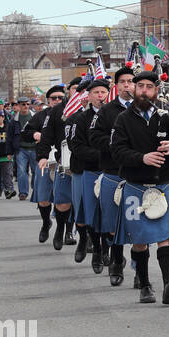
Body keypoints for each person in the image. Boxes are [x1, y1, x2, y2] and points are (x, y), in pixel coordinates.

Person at [110, 69, 169, 304]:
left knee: (165, 236)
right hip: (135, 187)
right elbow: (117, 151)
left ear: (155, 90)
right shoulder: (122, 120)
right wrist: (142, 158)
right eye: (139, 86)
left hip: (164, 186)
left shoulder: (167, 116)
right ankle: (144, 285)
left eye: (148, 87)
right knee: (139, 241)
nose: (143, 91)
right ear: (133, 89)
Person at [90, 66, 137, 285]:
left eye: (131, 81)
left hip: (138, 174)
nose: (127, 85)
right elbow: (94, 137)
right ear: (116, 86)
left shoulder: (146, 109)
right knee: (114, 225)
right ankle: (116, 262)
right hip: (113, 172)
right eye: (123, 81)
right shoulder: (107, 111)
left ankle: (140, 271)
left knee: (140, 225)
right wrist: (116, 145)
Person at [67, 78, 109, 267]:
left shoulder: (114, 115)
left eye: (103, 92)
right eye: (96, 93)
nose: (100, 96)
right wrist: (101, 155)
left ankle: (107, 250)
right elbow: (75, 146)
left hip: (110, 171)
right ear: (89, 96)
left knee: (109, 214)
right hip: (87, 170)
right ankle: (89, 243)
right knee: (87, 214)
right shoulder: (79, 119)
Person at [35, 83, 79, 248]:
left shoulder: (92, 111)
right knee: (61, 202)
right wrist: (41, 156)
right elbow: (46, 136)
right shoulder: (56, 111)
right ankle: (59, 228)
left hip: (87, 163)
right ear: (69, 90)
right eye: (74, 88)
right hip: (63, 161)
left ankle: (83, 237)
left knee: (84, 204)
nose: (77, 92)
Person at [26, 87, 64, 238]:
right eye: (53, 98)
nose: (56, 100)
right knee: (43, 199)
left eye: (60, 98)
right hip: (45, 160)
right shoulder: (40, 116)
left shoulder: (70, 114)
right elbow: (25, 132)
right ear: (48, 100)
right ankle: (45, 222)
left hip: (64, 161)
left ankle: (65, 231)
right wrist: (34, 134)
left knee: (64, 200)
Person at [11, 98, 34, 201]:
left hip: (34, 148)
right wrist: (9, 151)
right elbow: (9, 136)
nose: (25, 106)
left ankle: (36, 189)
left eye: (27, 104)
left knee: (36, 171)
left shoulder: (35, 117)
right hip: (21, 149)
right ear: (19, 105)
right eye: (23, 104)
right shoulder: (14, 119)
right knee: (21, 171)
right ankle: (23, 193)